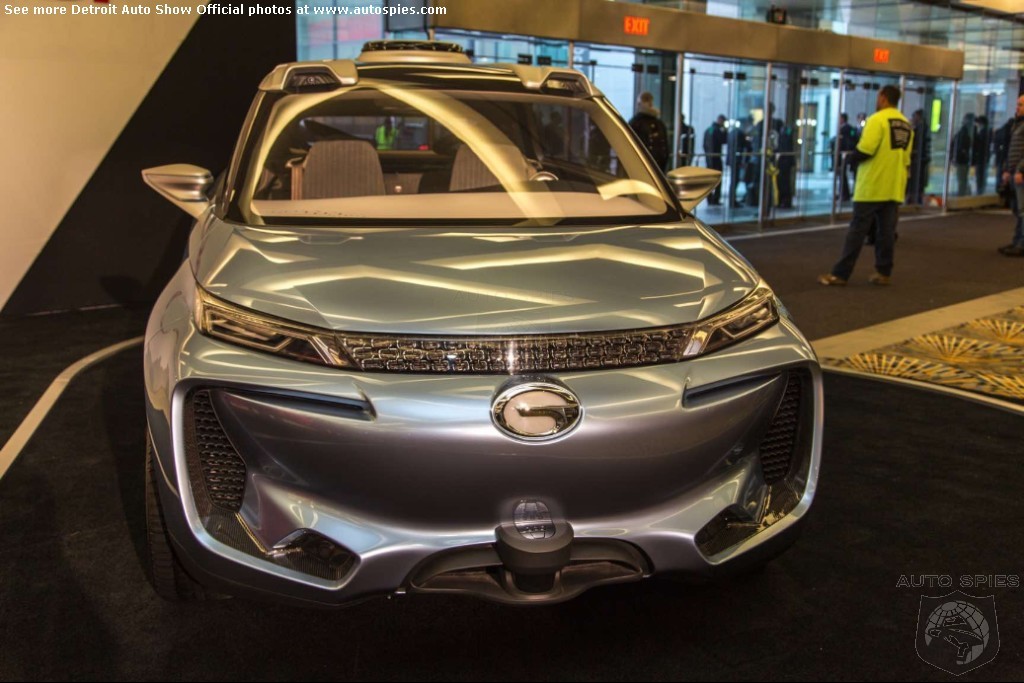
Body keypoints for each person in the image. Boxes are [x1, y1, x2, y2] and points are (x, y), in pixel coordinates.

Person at [819, 85, 913, 287]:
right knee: (886, 232)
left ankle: (840, 274)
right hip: (894, 186)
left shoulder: (877, 120)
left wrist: (850, 159)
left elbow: (866, 149)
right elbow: (906, 158)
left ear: (883, 98)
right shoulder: (906, 124)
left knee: (857, 231)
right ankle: (883, 272)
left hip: (872, 185)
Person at [998, 95, 1024, 257]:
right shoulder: (1017, 124)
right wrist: (1008, 169)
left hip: (1020, 174)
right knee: (1018, 209)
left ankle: (1021, 244)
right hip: (1014, 173)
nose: (1017, 107)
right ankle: (1017, 241)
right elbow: (1012, 149)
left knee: (1023, 210)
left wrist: (1021, 170)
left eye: (1020, 105)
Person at [629, 92, 669, 171]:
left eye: (648, 100)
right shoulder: (636, 123)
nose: (648, 103)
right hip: (645, 163)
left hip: (651, 163)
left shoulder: (635, 123)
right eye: (646, 100)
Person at [906, 109, 931, 205]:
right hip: (921, 159)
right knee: (918, 180)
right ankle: (915, 198)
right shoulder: (924, 128)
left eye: (914, 116)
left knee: (916, 179)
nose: (913, 118)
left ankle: (914, 198)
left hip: (918, 159)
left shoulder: (920, 129)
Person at [703, 115, 727, 205]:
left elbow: (704, 144)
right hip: (716, 158)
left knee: (709, 179)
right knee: (717, 179)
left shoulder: (708, 130)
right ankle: (715, 199)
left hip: (709, 158)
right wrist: (725, 131)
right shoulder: (718, 130)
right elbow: (724, 140)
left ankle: (709, 198)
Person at [835, 113, 858, 201]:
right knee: (842, 175)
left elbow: (846, 141)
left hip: (845, 154)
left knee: (842, 174)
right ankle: (844, 193)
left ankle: (844, 194)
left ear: (843, 119)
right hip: (846, 154)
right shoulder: (847, 128)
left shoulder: (845, 129)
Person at [952, 113, 975, 196]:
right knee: (963, 179)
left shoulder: (964, 132)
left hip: (962, 160)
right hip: (963, 160)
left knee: (962, 179)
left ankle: (961, 195)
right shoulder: (966, 132)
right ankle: (962, 194)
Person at [972, 115, 991, 195]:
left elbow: (979, 145)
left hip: (981, 158)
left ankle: (980, 191)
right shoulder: (986, 132)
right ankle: (980, 190)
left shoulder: (983, 132)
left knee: (980, 175)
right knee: (981, 175)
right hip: (983, 158)